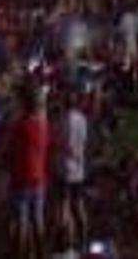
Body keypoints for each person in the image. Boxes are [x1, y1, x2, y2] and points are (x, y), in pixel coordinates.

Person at [8, 87, 51, 259]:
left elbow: (10, 149)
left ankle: (20, 254)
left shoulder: (20, 126)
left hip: (22, 178)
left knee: (22, 222)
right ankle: (41, 254)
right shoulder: (43, 126)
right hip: (39, 177)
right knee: (38, 221)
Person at [54, 92, 90, 252]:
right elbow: (84, 141)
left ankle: (67, 241)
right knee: (79, 204)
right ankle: (83, 237)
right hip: (79, 168)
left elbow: (60, 142)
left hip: (65, 168)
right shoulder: (83, 119)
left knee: (65, 206)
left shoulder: (63, 120)